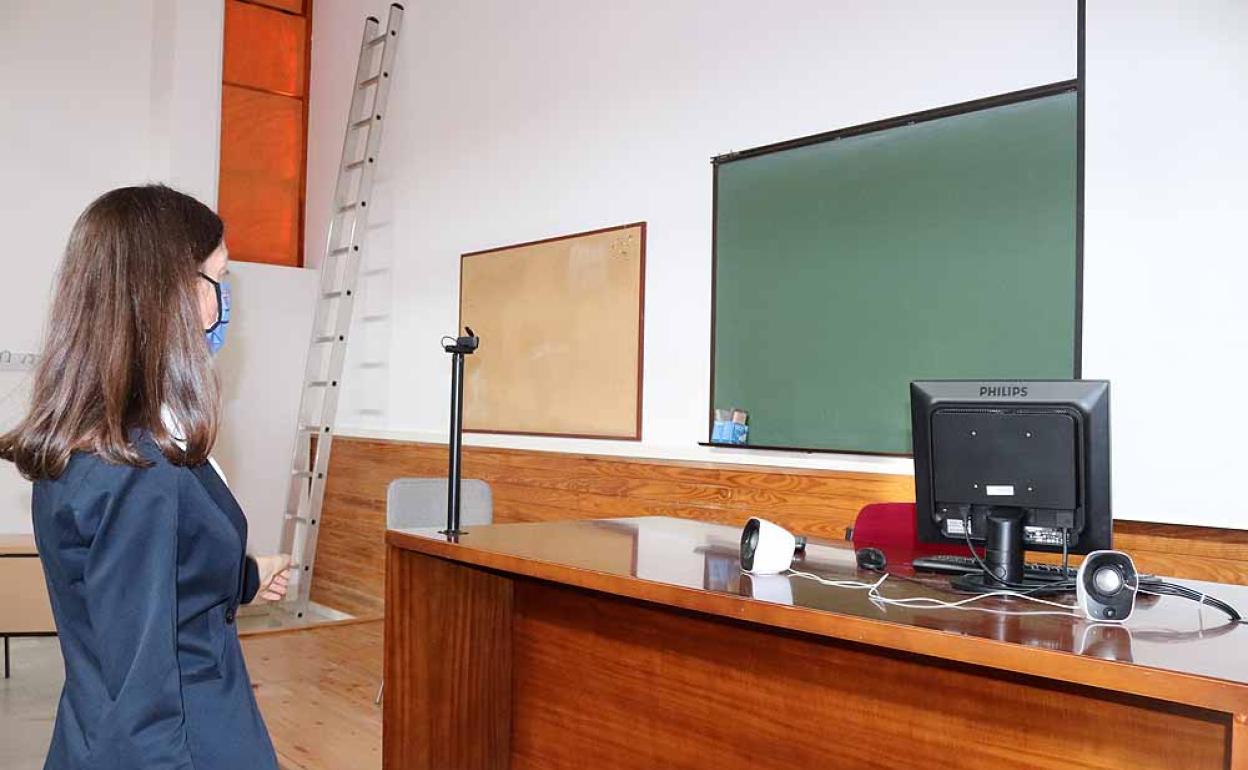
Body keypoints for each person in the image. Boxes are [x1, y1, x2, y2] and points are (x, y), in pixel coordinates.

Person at [0, 185, 292, 769]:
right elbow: (142, 702)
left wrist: (246, 578)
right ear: (171, 296)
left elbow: (149, 585)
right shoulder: (137, 470)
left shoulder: (98, 440)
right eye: (219, 278)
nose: (222, 303)